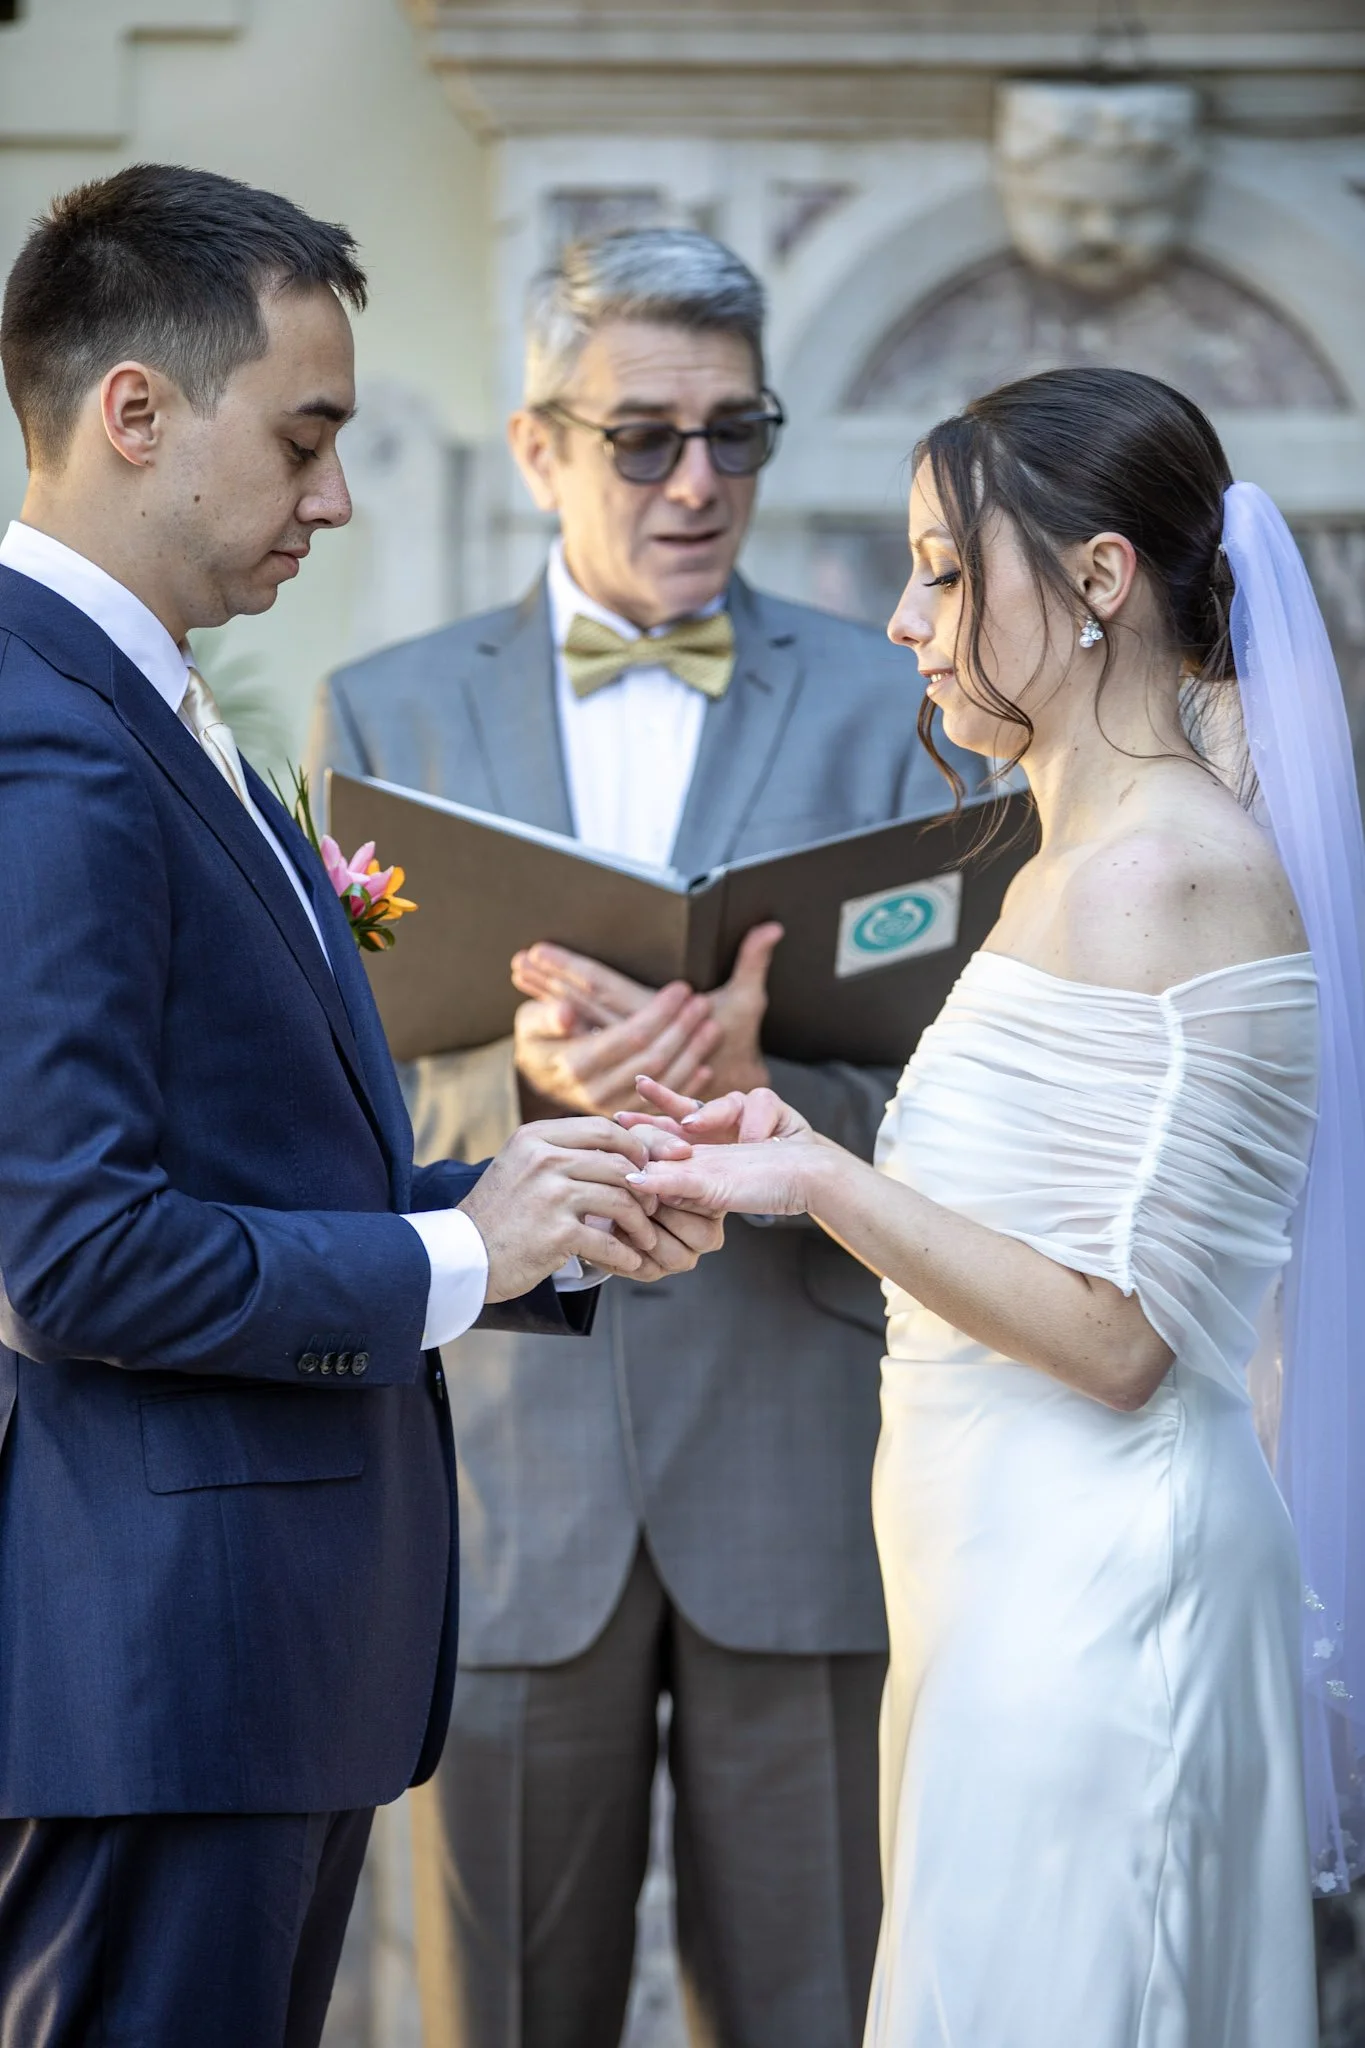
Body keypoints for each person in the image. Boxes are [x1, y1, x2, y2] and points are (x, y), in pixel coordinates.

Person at [0, 166, 718, 2048]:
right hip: (165, 1674)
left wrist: (538, 1210)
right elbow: (67, 1254)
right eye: (305, 437)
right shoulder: (46, 736)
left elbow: (261, 1159)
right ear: (134, 412)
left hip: (252, 1670)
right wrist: (449, 1255)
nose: (336, 494)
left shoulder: (149, 707)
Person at [623, 365, 1365, 2045]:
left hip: (1108, 1608)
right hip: (997, 1585)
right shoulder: (1060, 866)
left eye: (948, 573)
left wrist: (815, 1179)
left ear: (1101, 578)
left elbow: (1121, 1344)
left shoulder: (1174, 867)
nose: (902, 619)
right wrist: (771, 1143)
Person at [308, 227, 967, 2048]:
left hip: (802, 1452)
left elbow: (979, 1098)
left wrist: (782, 1097)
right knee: (501, 2013)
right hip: (512, 1475)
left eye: (735, 434)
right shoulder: (387, 711)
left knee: (824, 1999)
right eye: (644, 437)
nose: (698, 482)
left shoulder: (896, 700)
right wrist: (528, 1085)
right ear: (539, 448)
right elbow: (323, 1102)